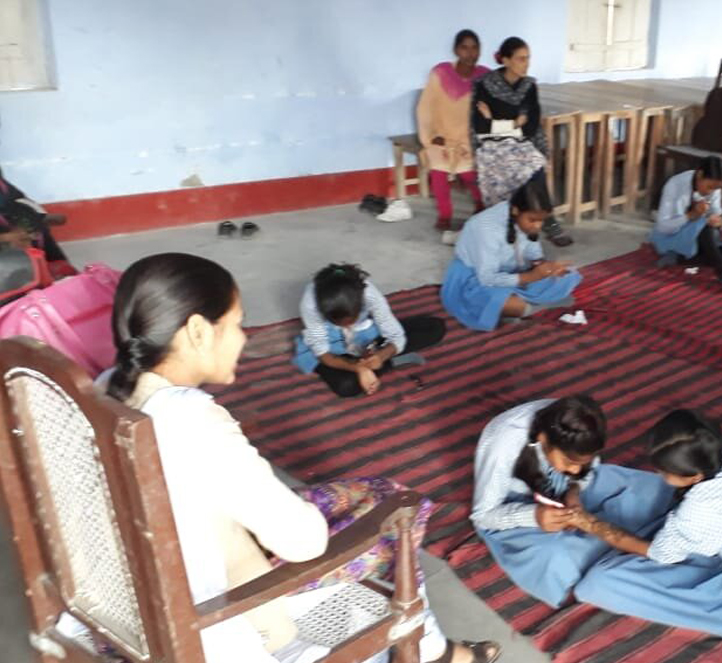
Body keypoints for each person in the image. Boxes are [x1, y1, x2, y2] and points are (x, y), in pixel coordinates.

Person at [102, 253, 496, 663]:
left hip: (133, 600)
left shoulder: (105, 392)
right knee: (396, 510)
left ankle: (430, 648)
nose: (243, 339)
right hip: (209, 613)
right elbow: (303, 543)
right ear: (199, 331)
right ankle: (428, 650)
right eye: (236, 324)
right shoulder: (192, 417)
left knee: (367, 494)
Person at [568, 410, 722, 641]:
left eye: (664, 471)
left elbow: (657, 553)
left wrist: (589, 523)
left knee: (602, 582)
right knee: (657, 492)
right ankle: (589, 483)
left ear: (694, 476)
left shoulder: (704, 505)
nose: (660, 475)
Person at [471, 396, 674, 607]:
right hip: (516, 504)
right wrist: (534, 516)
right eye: (569, 461)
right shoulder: (504, 446)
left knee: (653, 488)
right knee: (555, 555)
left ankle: (610, 546)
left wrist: (574, 490)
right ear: (543, 439)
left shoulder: (579, 426)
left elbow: (586, 470)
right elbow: (483, 516)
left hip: (561, 487)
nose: (577, 469)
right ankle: (612, 548)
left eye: (581, 462)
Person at [441, 176, 581, 331]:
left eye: (542, 221)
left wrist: (544, 266)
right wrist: (532, 276)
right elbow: (487, 278)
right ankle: (530, 306)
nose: (537, 226)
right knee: (507, 303)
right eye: (533, 220)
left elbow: (533, 250)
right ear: (515, 210)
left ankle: (527, 304)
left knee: (570, 275)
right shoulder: (485, 228)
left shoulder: (524, 217)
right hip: (476, 279)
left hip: (516, 272)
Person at [471, 36, 572, 247]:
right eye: (521, 59)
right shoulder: (485, 85)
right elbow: (480, 127)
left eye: (528, 58)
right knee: (503, 173)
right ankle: (509, 220)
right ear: (505, 60)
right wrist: (514, 123)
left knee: (535, 166)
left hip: (520, 143)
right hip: (491, 146)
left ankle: (547, 219)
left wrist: (494, 120)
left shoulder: (529, 86)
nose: (526, 64)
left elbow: (530, 126)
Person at [292, 263, 446, 397]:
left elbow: (396, 335)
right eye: (341, 324)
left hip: (365, 335)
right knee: (346, 386)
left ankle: (379, 363)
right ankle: (383, 364)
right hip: (332, 343)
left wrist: (381, 356)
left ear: (360, 306)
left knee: (435, 328)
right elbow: (322, 352)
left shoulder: (369, 294)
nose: (347, 328)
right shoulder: (311, 304)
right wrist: (358, 368)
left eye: (350, 322)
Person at [415, 29, 488, 232]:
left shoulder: (485, 76)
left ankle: (481, 205)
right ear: (456, 50)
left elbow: (493, 109)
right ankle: (445, 215)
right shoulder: (441, 73)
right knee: (438, 169)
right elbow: (426, 107)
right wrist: (431, 136)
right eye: (464, 48)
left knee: (470, 175)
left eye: (474, 48)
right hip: (441, 137)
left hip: (469, 139)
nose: (470, 53)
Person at [651, 156, 722, 291]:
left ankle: (679, 259)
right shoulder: (675, 185)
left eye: (716, 188)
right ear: (700, 174)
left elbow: (715, 210)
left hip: (698, 237)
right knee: (705, 228)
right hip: (671, 236)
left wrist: (716, 219)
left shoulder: (714, 187)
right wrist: (691, 215)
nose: (711, 191)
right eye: (709, 187)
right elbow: (663, 227)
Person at [0, 168, 76, 279]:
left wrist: (40, 217)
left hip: (24, 234)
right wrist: (6, 237)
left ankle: (62, 276)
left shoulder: (4, 187)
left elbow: (23, 202)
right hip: (7, 253)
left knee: (41, 233)